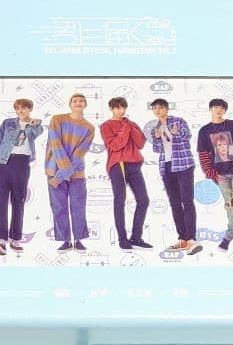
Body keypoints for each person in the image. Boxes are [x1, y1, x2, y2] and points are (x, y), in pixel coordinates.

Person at [144, 98, 200, 255]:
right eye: (155, 108)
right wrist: (156, 137)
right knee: (175, 204)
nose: (158, 110)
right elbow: (157, 149)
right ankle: (182, 239)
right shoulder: (156, 127)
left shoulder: (178, 121)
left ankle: (192, 239)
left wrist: (177, 133)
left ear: (167, 109)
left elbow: (187, 136)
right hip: (166, 166)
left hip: (183, 164)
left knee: (187, 201)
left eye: (161, 107)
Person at [197, 98, 233, 252]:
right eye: (215, 107)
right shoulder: (204, 131)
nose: (219, 110)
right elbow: (203, 155)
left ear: (225, 110)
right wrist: (211, 173)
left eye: (222, 108)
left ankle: (227, 238)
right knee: (229, 206)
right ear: (210, 109)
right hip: (220, 174)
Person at [0, 98, 44, 255]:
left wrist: (33, 125)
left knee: (19, 200)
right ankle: (0, 240)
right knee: (0, 201)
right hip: (3, 163)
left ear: (30, 109)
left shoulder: (36, 125)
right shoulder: (7, 123)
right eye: (18, 108)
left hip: (22, 163)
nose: (21, 111)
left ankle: (15, 239)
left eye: (24, 108)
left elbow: (34, 134)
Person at [99, 96, 152, 251]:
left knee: (143, 200)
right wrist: (125, 129)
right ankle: (122, 239)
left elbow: (140, 144)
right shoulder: (106, 126)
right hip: (118, 165)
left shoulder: (131, 123)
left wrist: (130, 126)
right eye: (118, 108)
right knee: (120, 201)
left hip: (134, 164)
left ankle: (136, 238)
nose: (121, 110)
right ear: (111, 108)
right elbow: (116, 145)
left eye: (123, 107)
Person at [44, 93, 95, 251]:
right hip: (54, 169)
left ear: (85, 104)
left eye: (81, 101)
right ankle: (65, 240)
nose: (78, 103)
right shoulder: (57, 119)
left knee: (78, 206)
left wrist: (61, 175)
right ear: (70, 104)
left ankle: (78, 240)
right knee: (58, 207)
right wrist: (60, 174)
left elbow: (80, 153)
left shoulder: (89, 128)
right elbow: (55, 145)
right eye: (75, 101)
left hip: (76, 172)